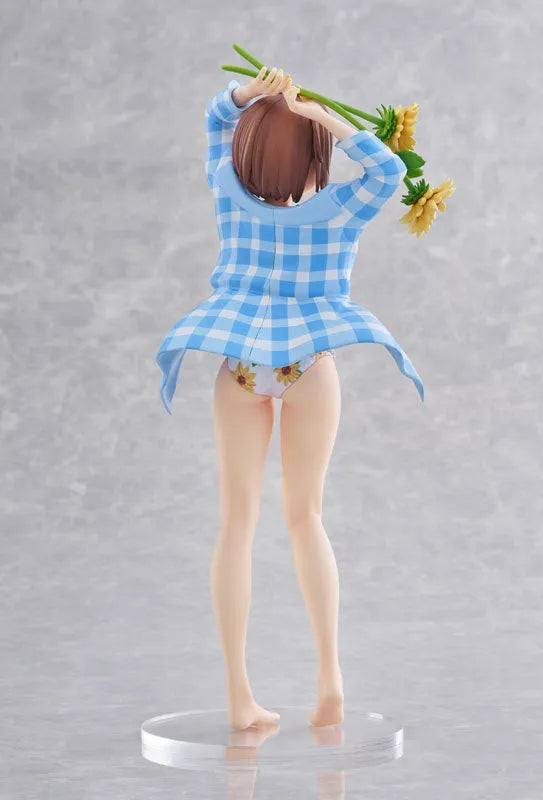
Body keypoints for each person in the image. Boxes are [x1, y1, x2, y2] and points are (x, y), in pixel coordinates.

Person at [156, 66, 424, 730]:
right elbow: (388, 172)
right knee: (305, 517)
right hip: (309, 364)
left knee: (236, 524)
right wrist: (325, 117)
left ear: (246, 152)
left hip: (241, 366)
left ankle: (239, 696)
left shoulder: (226, 189)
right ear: (314, 158)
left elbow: (214, 120)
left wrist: (247, 97)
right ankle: (330, 677)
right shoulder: (339, 210)